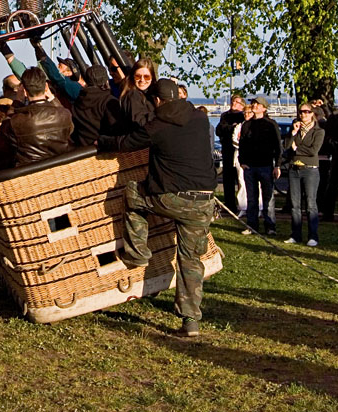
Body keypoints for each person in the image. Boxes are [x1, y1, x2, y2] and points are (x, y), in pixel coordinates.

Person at [98, 78, 216, 338]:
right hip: (204, 200)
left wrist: (102, 141)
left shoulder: (157, 125)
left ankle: (138, 252)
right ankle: (191, 319)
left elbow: (125, 143)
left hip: (171, 199)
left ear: (158, 101)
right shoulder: (199, 118)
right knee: (190, 259)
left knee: (133, 193)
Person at [0, 67, 73, 168]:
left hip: (30, 173)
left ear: (24, 91)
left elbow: (4, 130)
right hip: (61, 170)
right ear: (46, 87)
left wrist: (17, 102)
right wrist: (52, 98)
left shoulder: (17, 121)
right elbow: (70, 128)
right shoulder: (64, 114)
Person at [238, 95, 282, 236]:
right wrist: (242, 162)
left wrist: (278, 165)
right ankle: (252, 225)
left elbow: (278, 146)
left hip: (266, 165)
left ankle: (270, 226)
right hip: (250, 166)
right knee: (252, 198)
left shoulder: (271, 124)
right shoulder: (247, 124)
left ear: (264, 108)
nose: (254, 106)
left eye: (257, 104)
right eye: (253, 104)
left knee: (268, 198)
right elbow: (242, 145)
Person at [283, 104, 324, 247]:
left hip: (310, 170)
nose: (304, 114)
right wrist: (293, 134)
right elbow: (286, 147)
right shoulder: (296, 129)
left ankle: (313, 236)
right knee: (295, 205)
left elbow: (313, 151)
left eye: (307, 112)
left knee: (311, 204)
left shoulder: (318, 131)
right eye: (301, 112)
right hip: (294, 170)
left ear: (312, 114)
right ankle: (296, 235)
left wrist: (296, 148)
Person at [216, 95, 245, 214]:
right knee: (228, 179)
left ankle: (243, 204)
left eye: (237, 102)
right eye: (233, 101)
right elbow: (219, 130)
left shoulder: (243, 116)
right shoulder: (225, 115)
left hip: (240, 151)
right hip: (228, 149)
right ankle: (229, 204)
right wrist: (230, 128)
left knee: (241, 179)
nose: (234, 104)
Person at [119, 58, 157, 127]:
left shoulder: (151, 95)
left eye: (146, 77)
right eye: (138, 76)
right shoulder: (133, 96)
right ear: (133, 77)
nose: (142, 80)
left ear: (152, 78)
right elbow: (139, 122)